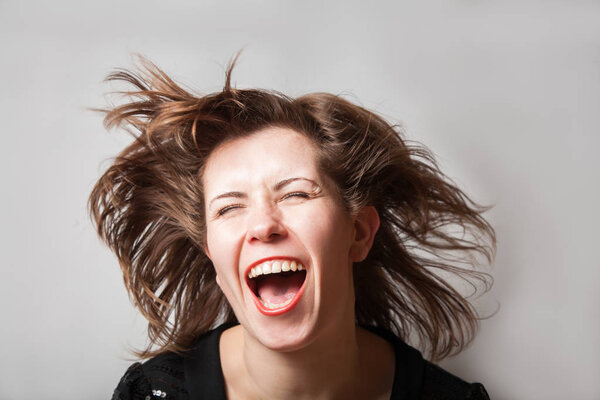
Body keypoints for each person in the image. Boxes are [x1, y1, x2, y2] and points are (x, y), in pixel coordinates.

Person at [90, 56, 495, 400]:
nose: (263, 225)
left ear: (358, 232)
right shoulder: (151, 394)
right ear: (210, 250)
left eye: (296, 195)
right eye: (230, 207)